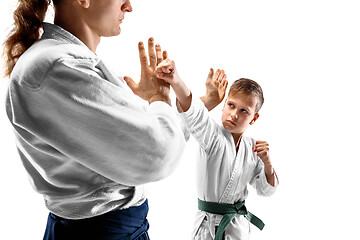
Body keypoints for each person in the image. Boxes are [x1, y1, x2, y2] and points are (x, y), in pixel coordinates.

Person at [2, 0, 197, 239]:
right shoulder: (56, 67)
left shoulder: (65, 62)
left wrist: (150, 104)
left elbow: (154, 141)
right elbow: (159, 154)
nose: (128, 6)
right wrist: (158, 99)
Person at [155, 59, 279, 240]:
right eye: (231, 105)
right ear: (224, 104)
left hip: (238, 229)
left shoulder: (252, 148)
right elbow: (194, 113)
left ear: (254, 118)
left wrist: (267, 162)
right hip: (208, 228)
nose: (234, 114)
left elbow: (265, 190)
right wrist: (176, 80)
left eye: (244, 111)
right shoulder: (212, 136)